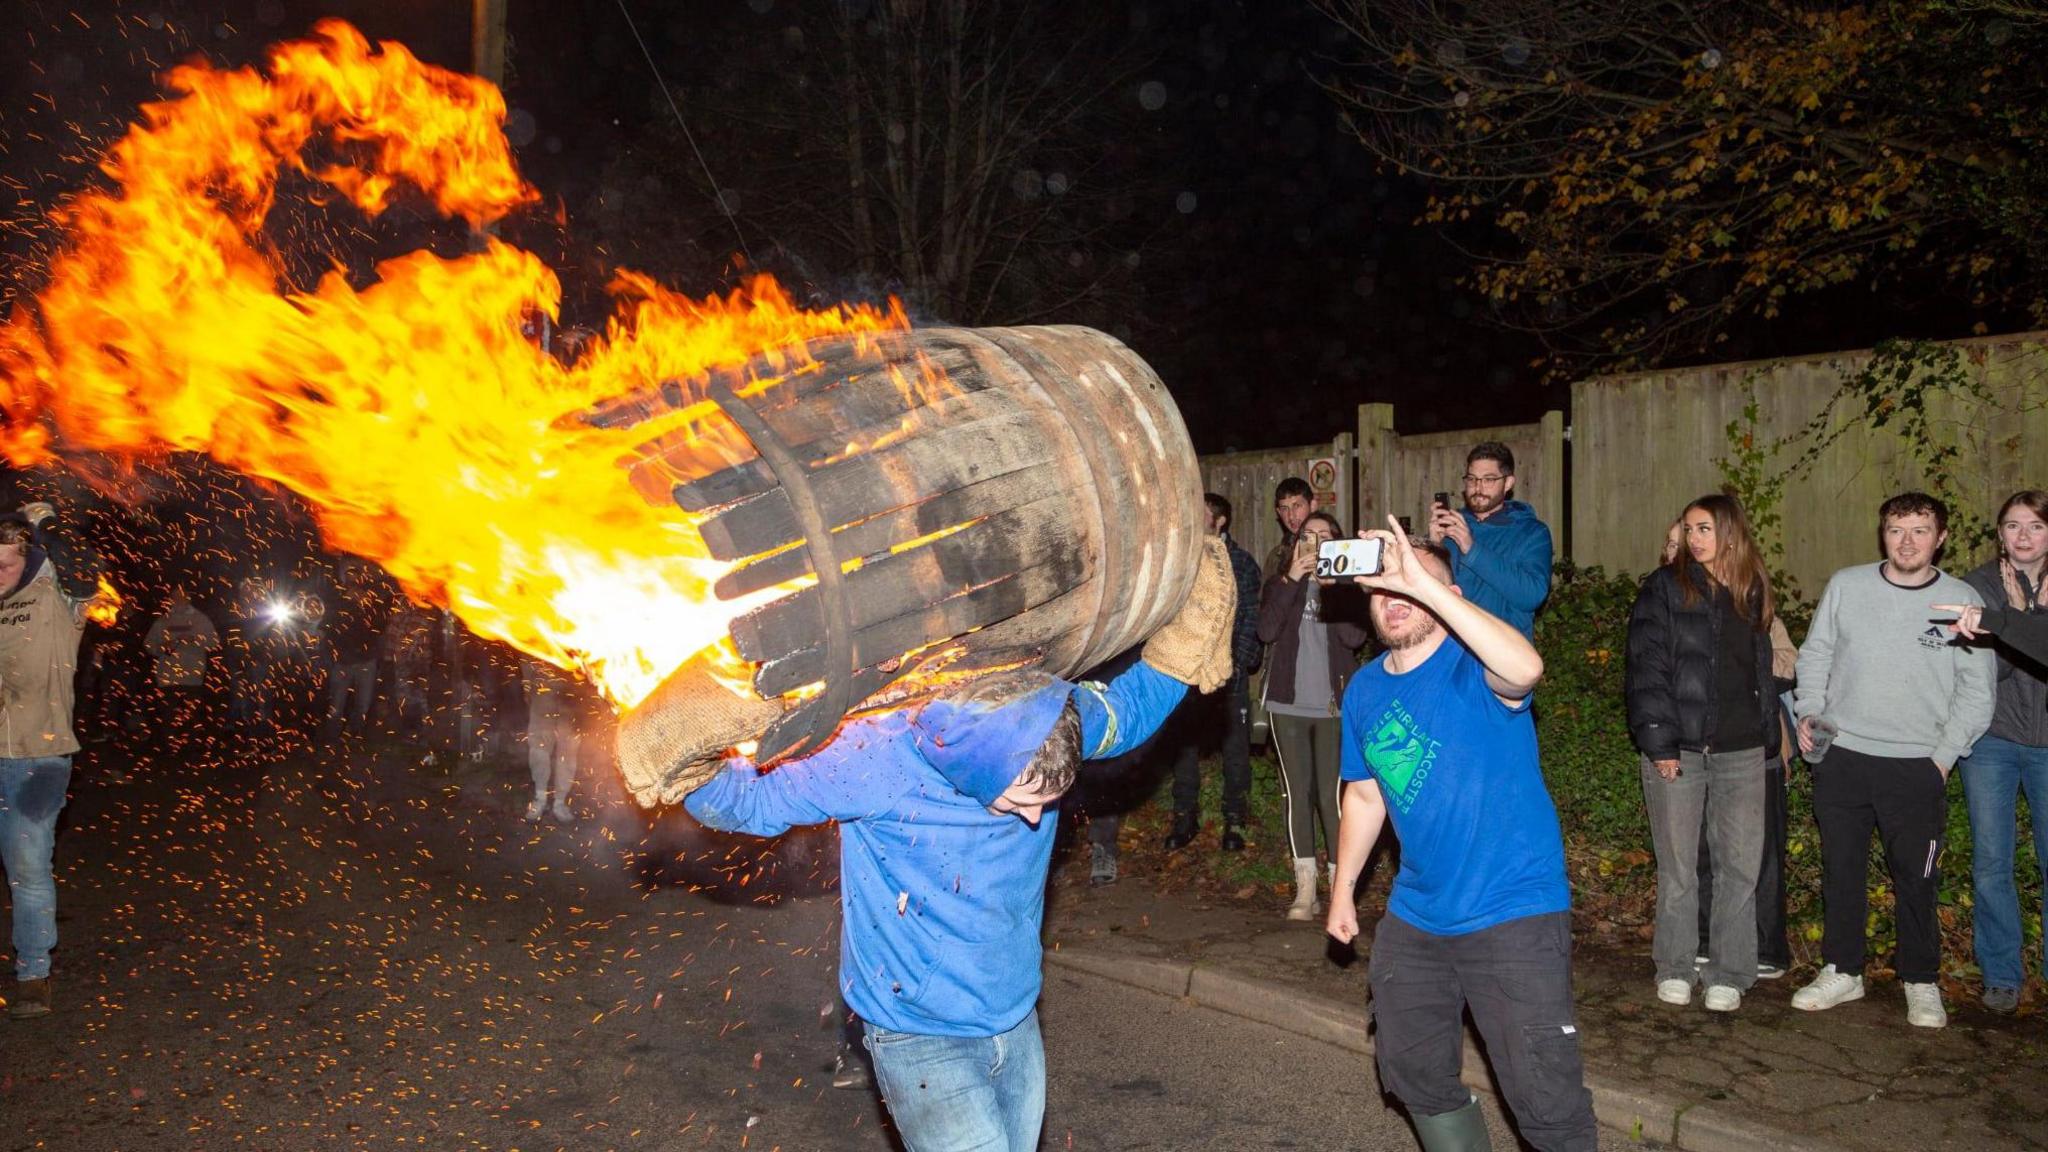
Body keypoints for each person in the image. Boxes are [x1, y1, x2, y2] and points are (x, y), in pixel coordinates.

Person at [682, 537, 1234, 1152]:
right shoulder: (876, 757)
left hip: (1015, 1016)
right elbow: (750, 802)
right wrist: (684, 762)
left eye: (1048, 803)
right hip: (919, 1033)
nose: (1034, 822)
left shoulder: (1056, 718)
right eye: (1021, 799)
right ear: (975, 767)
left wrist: (1190, 634)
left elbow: (1134, 706)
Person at [1327, 519, 1595, 1152]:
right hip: (1419, 915)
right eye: (1383, 589)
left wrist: (1427, 584)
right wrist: (1342, 892)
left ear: (1445, 598)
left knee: (1544, 1100)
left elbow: (1525, 669)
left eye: (1411, 589)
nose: (1395, 599)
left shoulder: (1475, 663)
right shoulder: (1365, 690)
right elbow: (1364, 795)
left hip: (1512, 910)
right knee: (1412, 1069)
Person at [1791, 492, 1995, 1029]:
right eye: (1896, 529)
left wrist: (1944, 758)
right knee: (1842, 870)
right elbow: (1816, 655)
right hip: (1845, 758)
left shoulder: (1962, 600)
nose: (1907, 541)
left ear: (1941, 537)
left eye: (1920, 530)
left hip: (1917, 766)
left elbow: (1977, 693)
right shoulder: (1847, 585)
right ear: (1882, 533)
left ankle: (1921, 979)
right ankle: (1843, 969)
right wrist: (1809, 712)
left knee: (1917, 877)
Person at [1624, 495, 1783, 1012]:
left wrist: (1768, 735)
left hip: (1743, 748)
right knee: (1678, 866)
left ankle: (1730, 973)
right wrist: (1658, 743)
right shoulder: (1665, 587)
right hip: (1681, 750)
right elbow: (1646, 670)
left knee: (1740, 866)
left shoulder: (1751, 589)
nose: (1694, 539)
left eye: (1705, 529)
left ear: (1731, 533)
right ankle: (1674, 964)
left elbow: (1761, 670)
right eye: (1689, 529)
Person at [0, 502, 110, 1019]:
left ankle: (33, 972)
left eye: (8, 563)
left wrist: (47, 522)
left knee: (26, 868)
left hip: (38, 758)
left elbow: (87, 568)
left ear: (32, 560)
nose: (0, 574)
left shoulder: (58, 597)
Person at [1945, 490, 2048, 1014]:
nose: (2024, 536)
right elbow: (1991, 673)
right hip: (1994, 741)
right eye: (2013, 525)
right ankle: (2003, 974)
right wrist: (2014, 617)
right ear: (2000, 533)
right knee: (1991, 862)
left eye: (2035, 525)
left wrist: (2033, 618)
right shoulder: (1978, 586)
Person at [1258, 510, 1369, 921]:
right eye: (1309, 534)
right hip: (1286, 705)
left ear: (1337, 544)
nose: (1315, 541)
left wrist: (1335, 588)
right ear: (1297, 541)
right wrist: (1290, 580)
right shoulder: (1280, 582)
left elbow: (1354, 638)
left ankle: (1342, 887)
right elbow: (1266, 631)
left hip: (1332, 707)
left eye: (1325, 536)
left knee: (1332, 796)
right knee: (1298, 794)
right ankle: (1306, 889)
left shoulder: (1347, 587)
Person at [1161, 492, 1264, 852]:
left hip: (1228, 678)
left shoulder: (1241, 562)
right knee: (1184, 752)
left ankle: (1234, 822)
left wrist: (1237, 665)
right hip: (1187, 673)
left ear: (1219, 521)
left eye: (1201, 514)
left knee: (1235, 753)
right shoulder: (1184, 562)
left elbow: (1251, 618)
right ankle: (1184, 819)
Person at [1426, 440, 1553, 639]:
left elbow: (1532, 596)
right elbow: (1427, 591)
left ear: (1508, 483)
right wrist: (1434, 548)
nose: (1478, 487)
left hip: (1504, 653)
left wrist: (1472, 549)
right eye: (1472, 479)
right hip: (1449, 650)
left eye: (1489, 479)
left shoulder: (1532, 532)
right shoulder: (1452, 526)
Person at [143, 586, 220, 762]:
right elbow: (148, 644)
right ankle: (171, 750)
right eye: (174, 597)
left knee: (191, 716)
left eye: (181, 596)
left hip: (192, 677)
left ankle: (191, 749)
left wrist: (196, 639)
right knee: (169, 715)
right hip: (168, 677)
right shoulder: (163, 620)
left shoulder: (200, 619)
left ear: (188, 598)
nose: (177, 600)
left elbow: (214, 642)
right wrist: (163, 647)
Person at [520, 658, 584, 823]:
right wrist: (528, 687)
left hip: (571, 697)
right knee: (539, 747)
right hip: (543, 692)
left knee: (568, 751)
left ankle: (560, 802)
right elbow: (526, 657)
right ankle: (540, 798)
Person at [1263, 476, 1317, 581]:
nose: (1291, 516)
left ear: (1313, 506)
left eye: (1297, 506)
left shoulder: (1331, 548)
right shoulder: (1276, 557)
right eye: (1284, 509)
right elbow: (1267, 596)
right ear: (1278, 512)